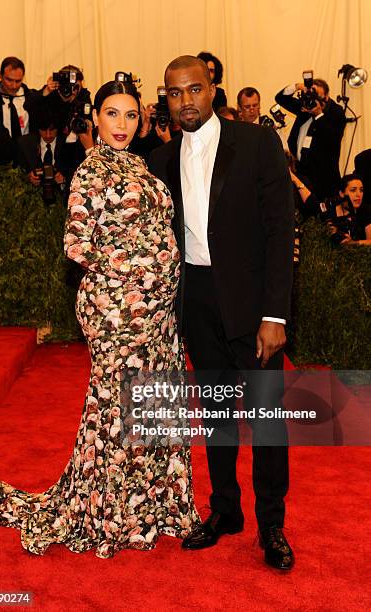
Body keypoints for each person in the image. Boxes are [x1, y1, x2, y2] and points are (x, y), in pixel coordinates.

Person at [0, 72, 200, 559]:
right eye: (111, 114)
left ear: (141, 118)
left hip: (158, 314)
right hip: (116, 310)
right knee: (116, 409)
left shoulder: (143, 167)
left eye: (130, 114)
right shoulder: (91, 170)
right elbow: (77, 243)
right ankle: (109, 512)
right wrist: (138, 269)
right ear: (95, 120)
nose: (121, 123)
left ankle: (152, 505)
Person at [148, 55, 295, 570]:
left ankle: (271, 523)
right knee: (216, 415)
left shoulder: (255, 143)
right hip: (198, 303)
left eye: (193, 89)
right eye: (174, 92)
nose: (184, 100)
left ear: (213, 90)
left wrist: (275, 314)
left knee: (267, 420)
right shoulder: (160, 159)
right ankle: (225, 511)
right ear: (164, 99)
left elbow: (280, 232)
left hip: (253, 306)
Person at [275, 78, 346, 199]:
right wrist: (298, 86)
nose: (313, 100)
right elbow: (280, 98)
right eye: (311, 95)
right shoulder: (305, 105)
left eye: (317, 96)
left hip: (323, 180)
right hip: (301, 175)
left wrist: (318, 114)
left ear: (326, 96)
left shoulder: (336, 112)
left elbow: (332, 140)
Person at [0, 57, 31, 139]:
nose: (14, 86)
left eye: (18, 81)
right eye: (9, 80)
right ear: (0, 75)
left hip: (25, 149)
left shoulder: (29, 96)